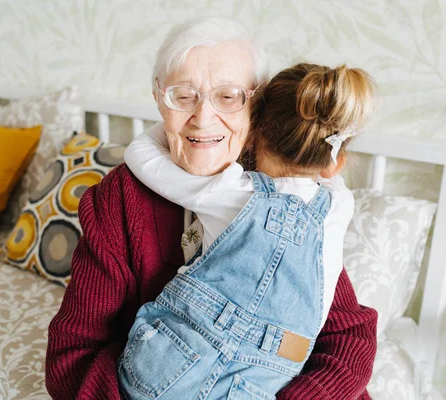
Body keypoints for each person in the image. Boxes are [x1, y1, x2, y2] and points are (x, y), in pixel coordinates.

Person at [45, 17, 378, 400]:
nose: (203, 119)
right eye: (183, 96)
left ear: (257, 108)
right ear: (158, 98)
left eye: (229, 96)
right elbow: (73, 353)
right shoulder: (120, 198)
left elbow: (348, 335)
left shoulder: (291, 199)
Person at [119, 62, 374, 399]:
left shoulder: (228, 191)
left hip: (168, 368)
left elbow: (140, 155)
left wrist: (177, 120)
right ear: (336, 161)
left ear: (252, 135)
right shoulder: (339, 207)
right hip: (261, 381)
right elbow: (329, 175)